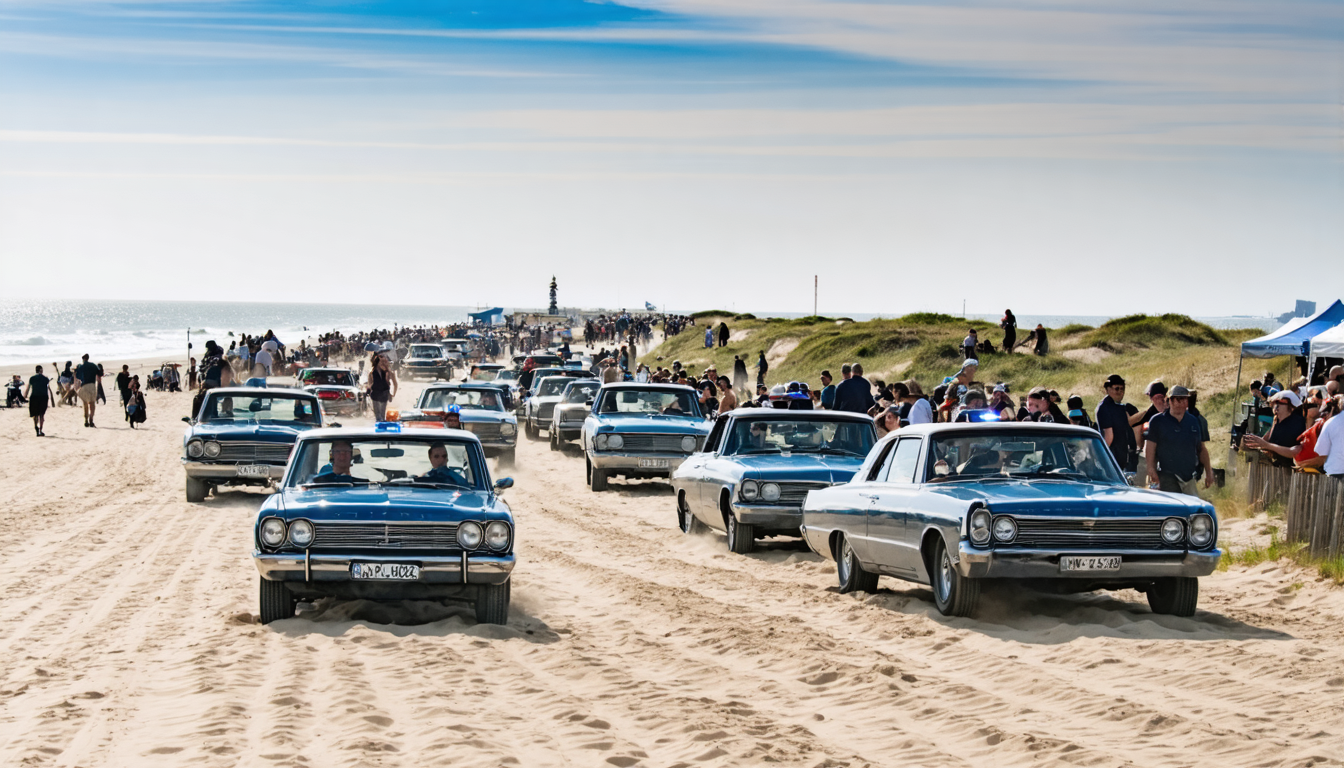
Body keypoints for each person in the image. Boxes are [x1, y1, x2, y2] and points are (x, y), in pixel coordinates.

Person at [1145, 386, 1212, 495]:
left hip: (1189, 476)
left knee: (1193, 508)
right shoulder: (1157, 421)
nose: (1182, 403)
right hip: (1167, 474)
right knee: (1176, 507)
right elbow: (1150, 447)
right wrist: (1150, 468)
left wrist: (1209, 472)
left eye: (1185, 399)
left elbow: (1201, 449)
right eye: (1178, 399)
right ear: (1170, 401)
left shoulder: (1193, 421)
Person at [1243, 391, 1307, 468]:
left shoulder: (1298, 424)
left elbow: (1296, 452)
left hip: (1291, 471)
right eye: (1274, 402)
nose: (1276, 406)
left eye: (1281, 402)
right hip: (1277, 469)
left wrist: (1267, 445)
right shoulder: (1277, 420)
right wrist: (1254, 443)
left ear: (1292, 406)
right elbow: (1266, 442)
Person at [1095, 374, 1137, 471]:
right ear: (1108, 389)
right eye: (1116, 388)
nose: (1120, 392)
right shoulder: (1105, 407)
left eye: (1122, 389)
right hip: (1112, 457)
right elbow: (1108, 437)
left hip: (1120, 456)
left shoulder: (1117, 407)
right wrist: (1102, 457)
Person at [1313, 396, 1344, 477]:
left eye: (1325, 414)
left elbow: (1321, 452)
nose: (1323, 417)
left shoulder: (1331, 423)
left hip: (1336, 473)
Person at [367, 353, 397, 422]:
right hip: (375, 394)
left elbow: (394, 383)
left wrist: (393, 393)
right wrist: (368, 390)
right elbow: (370, 383)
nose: (382, 364)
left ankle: (382, 423)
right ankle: (379, 424)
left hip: (384, 393)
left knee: (382, 414)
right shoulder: (372, 372)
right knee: (378, 415)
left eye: (384, 362)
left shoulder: (388, 372)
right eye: (380, 362)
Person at [75, 353, 101, 428]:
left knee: (85, 403)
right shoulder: (93, 365)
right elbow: (99, 373)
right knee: (92, 404)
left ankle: (86, 420)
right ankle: (91, 419)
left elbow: (78, 376)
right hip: (92, 386)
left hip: (85, 386)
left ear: (83, 359)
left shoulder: (81, 366)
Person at [24, 365, 51, 437]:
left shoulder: (32, 378)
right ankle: (40, 430)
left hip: (34, 397)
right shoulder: (46, 379)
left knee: (35, 414)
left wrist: (25, 396)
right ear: (41, 370)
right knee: (42, 414)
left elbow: (28, 388)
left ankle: (36, 426)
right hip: (43, 397)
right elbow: (48, 388)